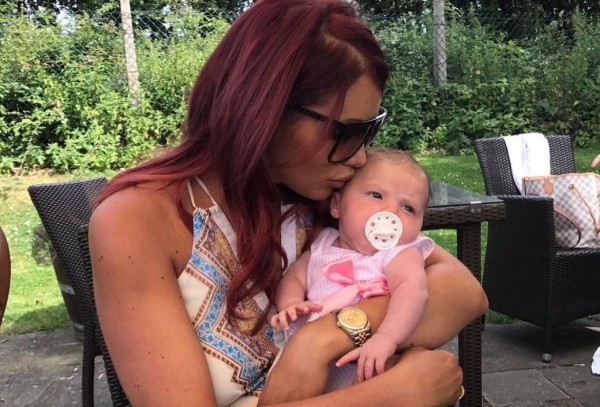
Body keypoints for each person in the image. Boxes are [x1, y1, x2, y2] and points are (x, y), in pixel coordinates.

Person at [89, 1, 488, 406]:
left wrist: (321, 340)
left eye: (368, 132)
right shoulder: (136, 222)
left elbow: (462, 290)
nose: (360, 157)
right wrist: (391, 396)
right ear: (265, 109)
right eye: (347, 133)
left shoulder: (313, 196)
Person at [268, 148, 433, 395]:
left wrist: (387, 337)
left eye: (409, 208)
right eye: (376, 195)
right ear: (337, 205)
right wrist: (290, 303)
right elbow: (294, 276)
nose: (391, 212)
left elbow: (412, 291)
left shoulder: (399, 254)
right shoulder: (322, 243)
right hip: (309, 369)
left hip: (368, 367)